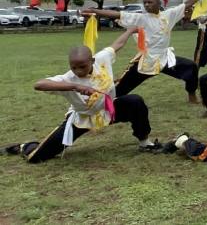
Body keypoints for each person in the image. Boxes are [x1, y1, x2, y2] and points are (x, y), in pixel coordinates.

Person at [5, 29, 162, 163]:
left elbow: (117, 45)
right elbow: (38, 84)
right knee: (36, 158)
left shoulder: (102, 59)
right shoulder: (68, 79)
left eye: (82, 66)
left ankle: (144, 142)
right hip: (82, 118)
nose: (78, 71)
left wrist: (130, 30)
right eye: (74, 67)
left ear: (92, 61)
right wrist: (75, 86)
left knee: (135, 101)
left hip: (109, 110)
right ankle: (24, 146)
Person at [82, 0, 204, 103]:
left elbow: (187, 3)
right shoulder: (140, 18)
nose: (146, 5)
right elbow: (117, 14)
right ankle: (101, 102)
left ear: (159, 3)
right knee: (122, 87)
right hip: (147, 61)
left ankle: (191, 94)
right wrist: (96, 11)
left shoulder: (169, 15)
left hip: (164, 58)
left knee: (191, 67)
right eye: (145, 2)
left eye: (150, 2)